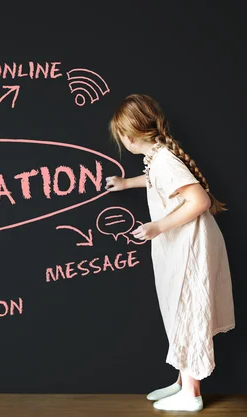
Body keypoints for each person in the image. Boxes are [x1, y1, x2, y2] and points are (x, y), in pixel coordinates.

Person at [105, 94, 235, 412]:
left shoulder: (164, 160)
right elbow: (156, 181)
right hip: (183, 245)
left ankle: (191, 392)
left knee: (189, 311)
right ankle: (182, 381)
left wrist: (157, 226)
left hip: (191, 245)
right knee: (179, 310)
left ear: (129, 134)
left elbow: (199, 201)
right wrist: (126, 184)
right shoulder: (158, 159)